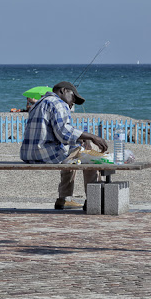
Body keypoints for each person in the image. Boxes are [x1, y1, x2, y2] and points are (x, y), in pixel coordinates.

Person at [20, 81, 109, 210]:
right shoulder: (58, 103)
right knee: (89, 153)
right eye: (73, 97)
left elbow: (56, 134)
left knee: (73, 153)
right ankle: (93, 199)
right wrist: (91, 137)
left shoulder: (38, 103)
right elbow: (63, 133)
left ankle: (65, 198)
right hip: (45, 153)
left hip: (28, 154)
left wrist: (80, 140)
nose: (72, 103)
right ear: (63, 91)